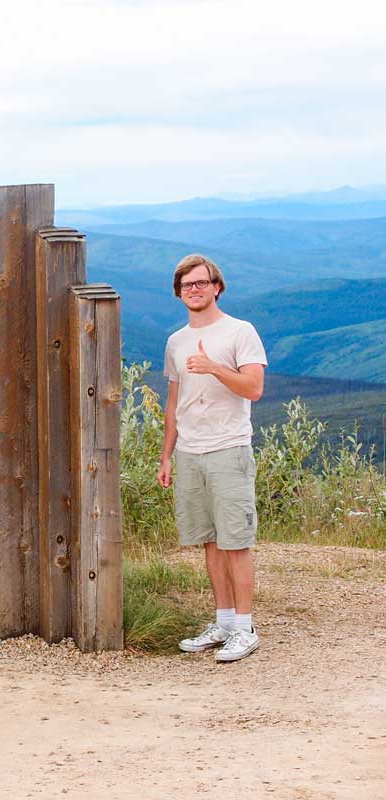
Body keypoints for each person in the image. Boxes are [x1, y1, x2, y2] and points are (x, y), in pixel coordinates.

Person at [157, 254, 267, 662]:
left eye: (202, 283)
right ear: (179, 293)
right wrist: (166, 456)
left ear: (217, 286)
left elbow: (254, 388)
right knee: (209, 541)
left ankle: (245, 627)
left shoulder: (240, 332)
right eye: (187, 286)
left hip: (228, 448)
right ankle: (223, 622)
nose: (195, 290)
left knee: (235, 541)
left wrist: (213, 366)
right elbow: (174, 404)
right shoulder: (175, 342)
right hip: (189, 452)